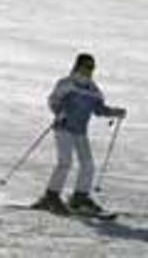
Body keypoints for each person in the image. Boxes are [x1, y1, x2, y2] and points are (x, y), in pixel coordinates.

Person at [31, 53, 127, 215]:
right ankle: (51, 197)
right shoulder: (67, 83)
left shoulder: (93, 89)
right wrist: (59, 112)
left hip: (80, 131)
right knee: (65, 162)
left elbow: (98, 109)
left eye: (92, 67)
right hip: (63, 127)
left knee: (88, 165)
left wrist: (115, 112)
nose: (89, 70)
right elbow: (53, 100)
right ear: (78, 66)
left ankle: (79, 197)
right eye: (86, 66)